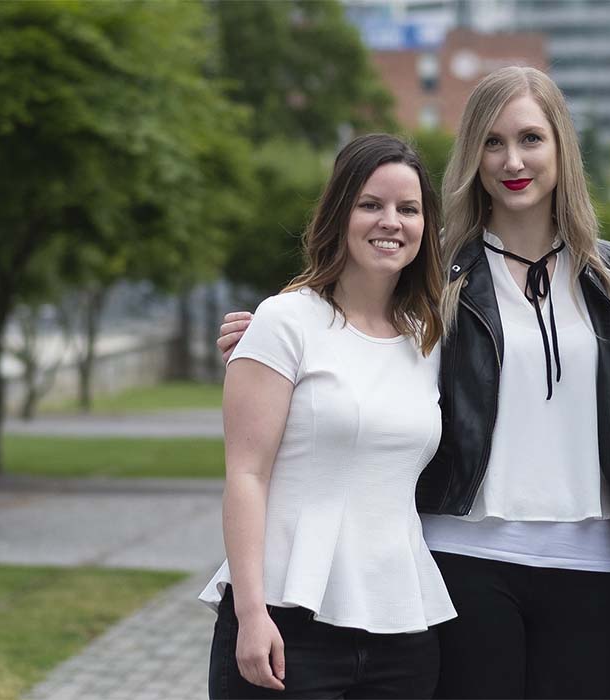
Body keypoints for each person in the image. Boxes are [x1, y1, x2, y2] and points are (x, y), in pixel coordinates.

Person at [218, 67, 610, 699]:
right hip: (463, 555)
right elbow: (350, 323)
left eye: (530, 139)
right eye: (492, 142)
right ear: (471, 155)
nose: (512, 159)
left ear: (561, 147)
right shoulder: (439, 274)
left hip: (587, 558)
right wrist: (262, 338)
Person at [200, 134, 456, 700]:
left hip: (403, 630)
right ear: (340, 213)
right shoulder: (284, 321)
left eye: (408, 209)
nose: (390, 221)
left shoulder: (428, 340)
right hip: (287, 625)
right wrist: (250, 614)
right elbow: (246, 476)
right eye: (371, 204)